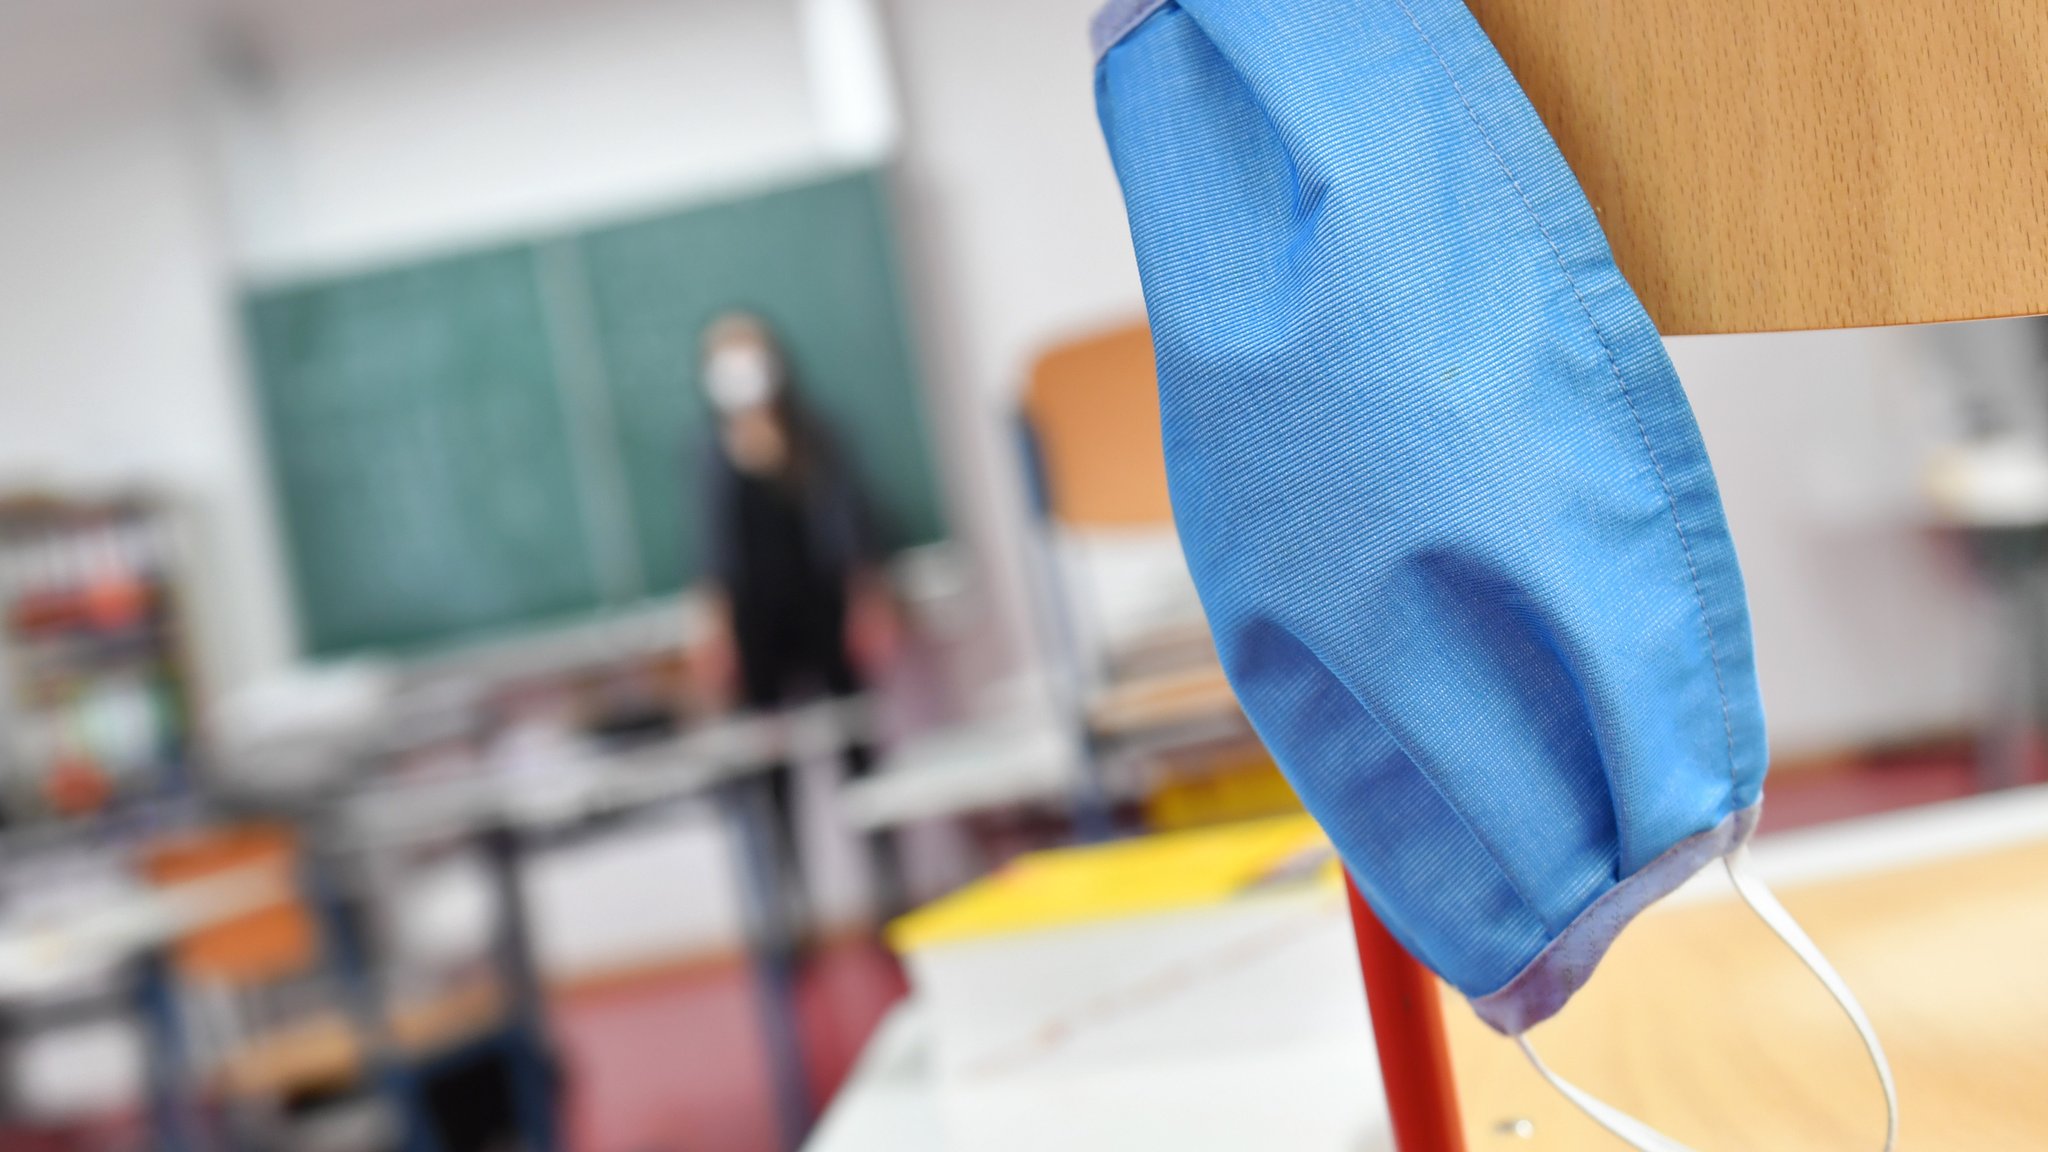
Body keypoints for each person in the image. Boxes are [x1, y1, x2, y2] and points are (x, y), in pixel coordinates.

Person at [689, 312, 904, 936]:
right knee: (769, 768)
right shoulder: (707, 451)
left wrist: (869, 598)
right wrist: (715, 632)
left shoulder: (816, 437)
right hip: (758, 626)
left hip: (824, 610)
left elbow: (850, 530)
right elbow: (712, 554)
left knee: (856, 752)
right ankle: (789, 910)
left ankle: (887, 886)